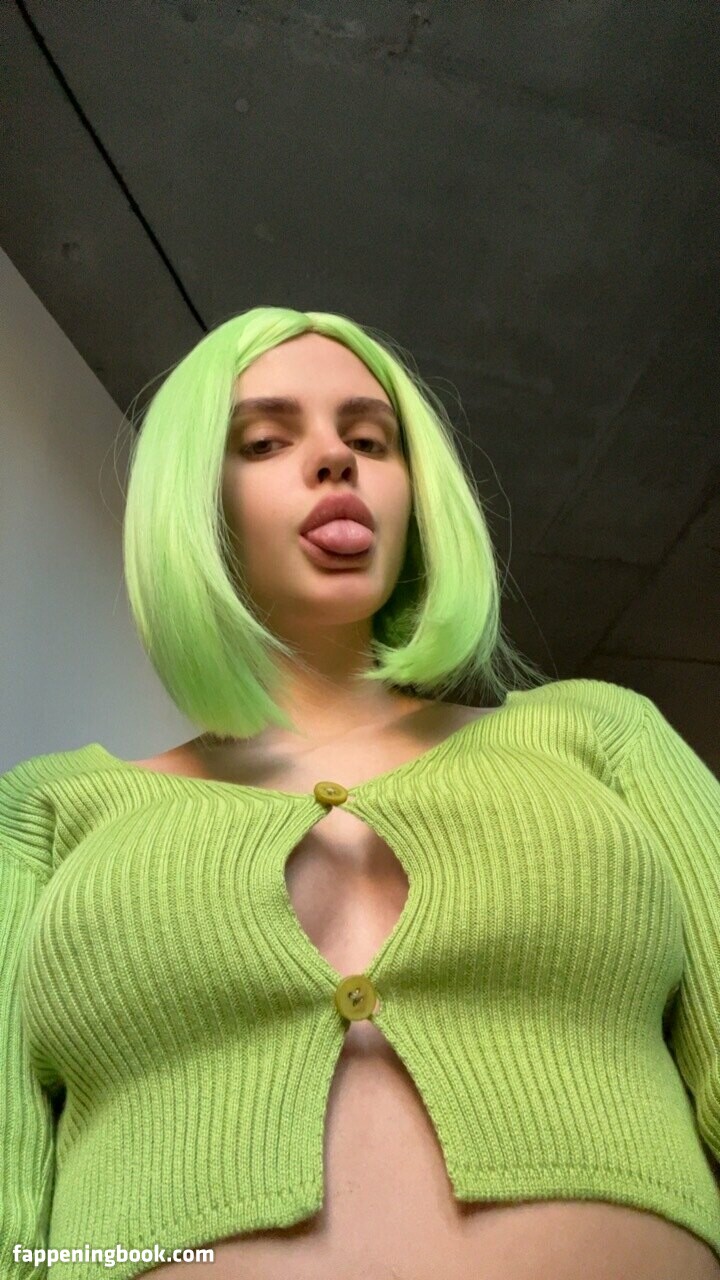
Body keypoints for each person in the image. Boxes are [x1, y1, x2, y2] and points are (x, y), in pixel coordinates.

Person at [3, 307, 719, 1280]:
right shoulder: (45, 814)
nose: (337, 458)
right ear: (193, 500)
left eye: (371, 440)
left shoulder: (600, 736)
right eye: (266, 440)